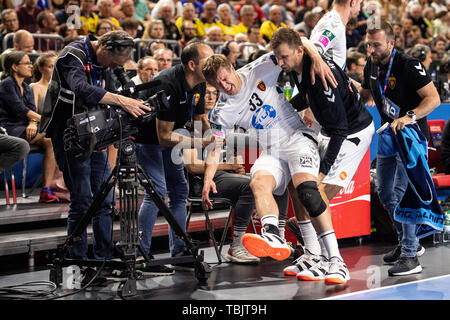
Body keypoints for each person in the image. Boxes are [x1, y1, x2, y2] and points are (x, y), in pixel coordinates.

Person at [201, 52, 333, 263]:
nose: (224, 86)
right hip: (272, 150)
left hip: (298, 138)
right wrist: (208, 179)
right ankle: (273, 234)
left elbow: (294, 45)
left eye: (225, 78)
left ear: (232, 67)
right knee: (258, 182)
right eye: (217, 84)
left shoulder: (259, 69)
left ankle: (331, 255)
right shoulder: (221, 112)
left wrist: (316, 59)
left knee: (304, 192)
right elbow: (215, 149)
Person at [270, 27, 374, 285]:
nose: (280, 63)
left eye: (284, 57)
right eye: (277, 58)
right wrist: (292, 107)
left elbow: (340, 130)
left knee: (313, 191)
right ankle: (313, 253)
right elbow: (303, 39)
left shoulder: (319, 79)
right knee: (298, 185)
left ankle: (334, 261)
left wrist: (323, 171)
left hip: (352, 134)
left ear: (298, 52)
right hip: (328, 129)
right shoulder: (299, 61)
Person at [39, 31, 150, 265]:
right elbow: (82, 89)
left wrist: (130, 100)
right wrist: (122, 101)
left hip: (94, 134)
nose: (111, 68)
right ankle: (77, 259)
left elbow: (111, 92)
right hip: (69, 135)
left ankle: (103, 260)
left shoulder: (105, 62)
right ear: (102, 48)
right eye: (111, 63)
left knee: (105, 200)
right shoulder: (72, 55)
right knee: (81, 200)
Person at [360, 21, 441, 276]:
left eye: (377, 45)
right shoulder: (371, 64)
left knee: (404, 194)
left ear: (391, 43)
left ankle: (409, 255)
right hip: (387, 137)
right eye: (368, 44)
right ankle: (409, 242)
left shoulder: (408, 65)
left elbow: (434, 99)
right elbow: (367, 94)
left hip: (411, 138)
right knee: (385, 192)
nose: (371, 50)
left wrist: (409, 116)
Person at [133, 41, 216, 274]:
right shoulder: (168, 83)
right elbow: (163, 137)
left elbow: (200, 119)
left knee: (179, 191)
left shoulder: (200, 82)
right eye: (207, 61)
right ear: (192, 64)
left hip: (173, 139)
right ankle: (142, 256)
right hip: (148, 141)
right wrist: (200, 143)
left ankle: (179, 252)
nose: (212, 65)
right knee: (157, 192)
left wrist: (213, 138)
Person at [182, 83, 260, 264]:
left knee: (265, 181)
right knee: (249, 186)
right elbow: (192, 166)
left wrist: (236, 167)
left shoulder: (219, 123)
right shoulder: (188, 126)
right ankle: (237, 246)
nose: (210, 97)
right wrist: (229, 167)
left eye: (214, 93)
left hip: (223, 176)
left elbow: (225, 155)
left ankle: (276, 235)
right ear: (197, 98)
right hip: (201, 182)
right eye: (206, 93)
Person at [0, 51, 60, 203]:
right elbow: (20, 110)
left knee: (50, 142)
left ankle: (46, 190)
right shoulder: (7, 84)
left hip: (26, 127)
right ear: (14, 67)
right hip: (9, 129)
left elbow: (31, 109)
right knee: (56, 128)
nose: (30, 66)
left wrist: (33, 123)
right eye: (26, 63)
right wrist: (47, 120)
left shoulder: (26, 88)